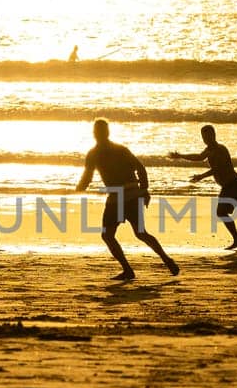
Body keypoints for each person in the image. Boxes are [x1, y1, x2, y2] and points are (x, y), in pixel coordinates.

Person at [76, 119, 180, 281]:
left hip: (120, 198)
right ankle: (166, 260)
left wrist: (78, 189)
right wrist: (144, 190)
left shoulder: (95, 153)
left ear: (96, 134)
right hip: (131, 195)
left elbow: (87, 178)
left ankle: (128, 270)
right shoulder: (119, 149)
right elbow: (140, 168)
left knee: (108, 235)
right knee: (140, 233)